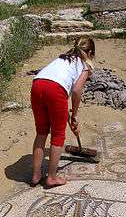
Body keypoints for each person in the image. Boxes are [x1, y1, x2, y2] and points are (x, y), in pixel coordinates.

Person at [31, 36, 95, 188]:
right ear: (90, 52)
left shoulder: (63, 58)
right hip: (56, 90)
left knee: (41, 132)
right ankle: (51, 178)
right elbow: (76, 90)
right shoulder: (85, 66)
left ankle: (35, 175)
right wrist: (74, 115)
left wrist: (66, 111)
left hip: (37, 85)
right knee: (58, 134)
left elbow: (57, 81)